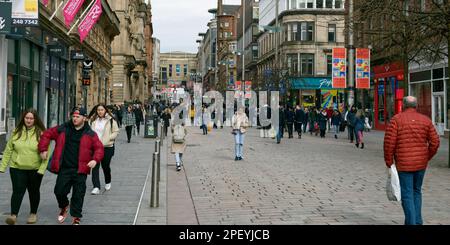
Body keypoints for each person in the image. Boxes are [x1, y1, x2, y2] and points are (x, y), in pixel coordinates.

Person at [38, 107, 104, 225]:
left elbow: (99, 148)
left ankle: (76, 217)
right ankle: (64, 206)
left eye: (77, 117)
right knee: (59, 191)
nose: (74, 118)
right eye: (73, 116)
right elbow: (47, 134)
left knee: (78, 194)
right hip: (65, 168)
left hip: (81, 170)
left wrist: (95, 159)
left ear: (84, 118)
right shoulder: (63, 129)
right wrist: (43, 149)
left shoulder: (90, 133)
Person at [384, 96, 440, 225]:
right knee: (416, 191)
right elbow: (435, 142)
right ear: (416, 105)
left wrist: (389, 162)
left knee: (407, 194)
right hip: (421, 164)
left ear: (403, 105)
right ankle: (417, 221)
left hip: (404, 164)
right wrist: (426, 157)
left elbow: (389, 143)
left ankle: (411, 222)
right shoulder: (425, 120)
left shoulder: (396, 120)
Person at [0, 109, 47, 225]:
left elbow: (46, 154)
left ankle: (33, 213)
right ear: (23, 119)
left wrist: (41, 169)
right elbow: (8, 150)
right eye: (27, 118)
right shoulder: (17, 131)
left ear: (35, 119)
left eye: (31, 118)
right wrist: (2, 166)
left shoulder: (41, 133)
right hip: (17, 168)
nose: (29, 120)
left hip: (35, 170)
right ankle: (13, 215)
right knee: (17, 191)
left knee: (34, 192)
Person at [88, 104, 119, 195]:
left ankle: (108, 181)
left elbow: (116, 131)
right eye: (98, 110)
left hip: (107, 147)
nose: (100, 111)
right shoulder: (93, 120)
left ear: (105, 110)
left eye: (101, 110)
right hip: (96, 147)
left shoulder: (111, 120)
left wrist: (109, 138)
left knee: (105, 166)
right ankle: (96, 186)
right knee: (95, 166)